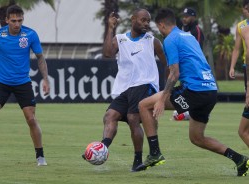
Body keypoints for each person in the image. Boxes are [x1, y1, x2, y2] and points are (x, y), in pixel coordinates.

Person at [135, 8, 249, 176]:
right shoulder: (188, 36)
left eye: (158, 28)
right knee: (197, 138)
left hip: (195, 90)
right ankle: (240, 160)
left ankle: (154, 153)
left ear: (161, 24)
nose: (159, 31)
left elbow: (175, 73)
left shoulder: (170, 39)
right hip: (210, 90)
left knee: (144, 105)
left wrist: (161, 99)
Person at [82, 9, 167, 172]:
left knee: (132, 119)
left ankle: (137, 161)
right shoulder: (120, 39)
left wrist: (163, 92)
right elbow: (107, 54)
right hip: (125, 88)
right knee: (109, 116)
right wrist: (110, 27)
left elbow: (167, 64)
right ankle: (101, 149)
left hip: (144, 85)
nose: (146, 24)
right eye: (143, 20)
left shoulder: (152, 41)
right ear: (133, 19)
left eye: (148, 21)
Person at [0, 5, 50, 166]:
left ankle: (40, 156)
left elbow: (40, 58)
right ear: (6, 20)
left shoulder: (31, 35)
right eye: (13, 21)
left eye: (20, 20)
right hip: (1, 82)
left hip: (23, 83)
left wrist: (46, 79)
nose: (17, 24)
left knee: (31, 119)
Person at [172, 7, 205, 121]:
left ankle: (200, 111)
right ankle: (186, 110)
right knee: (184, 86)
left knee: (194, 87)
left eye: (187, 16)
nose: (184, 19)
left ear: (193, 17)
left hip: (195, 65)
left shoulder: (196, 30)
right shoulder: (181, 29)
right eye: (183, 16)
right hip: (184, 65)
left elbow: (198, 50)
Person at [229, 0, 249, 151]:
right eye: (247, 9)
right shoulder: (241, 26)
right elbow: (237, 49)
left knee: (242, 131)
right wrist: (231, 66)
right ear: (243, 9)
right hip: (246, 67)